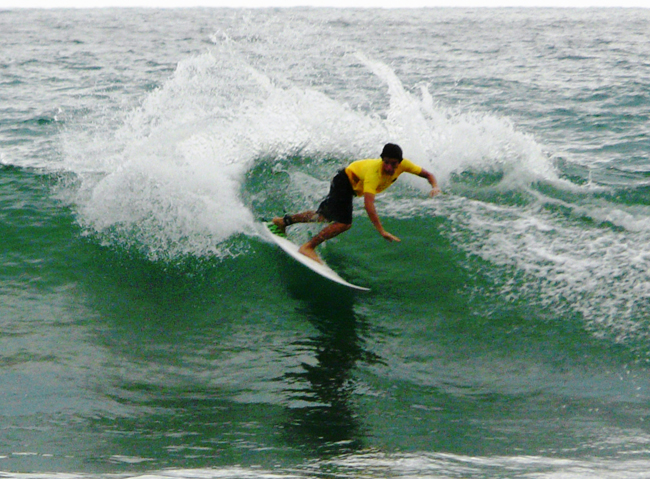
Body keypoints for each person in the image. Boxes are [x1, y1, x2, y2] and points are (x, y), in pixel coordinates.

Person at [271, 143, 441, 264]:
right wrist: (381, 231)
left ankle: (283, 222)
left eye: (394, 164)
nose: (389, 167)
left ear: (400, 162)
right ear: (382, 159)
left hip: (347, 184)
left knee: (322, 217)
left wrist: (434, 187)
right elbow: (369, 205)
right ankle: (308, 247)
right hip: (344, 181)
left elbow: (428, 174)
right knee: (344, 223)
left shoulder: (405, 165)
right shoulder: (374, 174)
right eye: (386, 162)